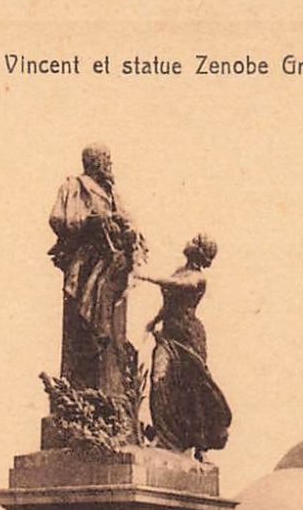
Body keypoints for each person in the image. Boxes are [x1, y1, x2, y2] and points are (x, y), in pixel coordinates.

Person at [49, 144, 146, 397]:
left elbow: (128, 219)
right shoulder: (74, 186)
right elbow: (59, 219)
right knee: (83, 325)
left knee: (110, 313)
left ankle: (109, 371)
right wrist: (92, 221)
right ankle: (85, 379)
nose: (110, 164)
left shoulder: (112, 191)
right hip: (86, 260)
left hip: (113, 261)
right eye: (106, 160)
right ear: (94, 162)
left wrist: (127, 228)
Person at [139, 235, 232, 459]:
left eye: (195, 241)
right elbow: (169, 302)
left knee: (192, 388)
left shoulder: (197, 278)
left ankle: (197, 443)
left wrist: (145, 276)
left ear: (200, 252)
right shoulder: (180, 269)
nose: (189, 242)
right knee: (159, 379)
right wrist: (155, 320)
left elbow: (178, 286)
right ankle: (164, 435)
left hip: (189, 337)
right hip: (169, 334)